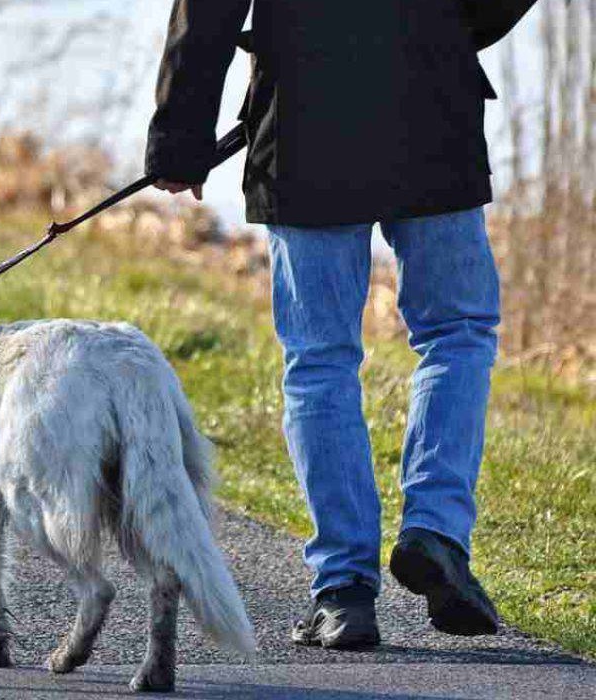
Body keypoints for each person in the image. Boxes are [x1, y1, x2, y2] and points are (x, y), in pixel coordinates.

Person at [145, 0, 533, 648]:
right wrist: (447, 25)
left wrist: (179, 141)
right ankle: (435, 531)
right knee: (457, 332)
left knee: (320, 358)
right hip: (430, 100)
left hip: (303, 120)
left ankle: (344, 592)